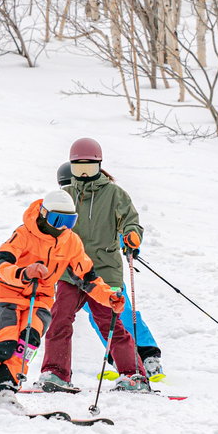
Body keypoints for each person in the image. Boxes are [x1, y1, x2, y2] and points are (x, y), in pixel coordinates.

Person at [0, 191, 126, 412]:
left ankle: (2, 389)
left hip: (40, 299)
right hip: (7, 293)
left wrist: (109, 297)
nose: (63, 227)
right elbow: (2, 263)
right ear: (44, 214)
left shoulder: (71, 242)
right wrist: (24, 272)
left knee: (26, 343)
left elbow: (88, 278)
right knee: (5, 341)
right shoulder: (24, 234)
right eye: (58, 220)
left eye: (70, 221)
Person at [38, 138, 150, 393]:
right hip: (70, 270)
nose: (84, 173)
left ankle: (134, 375)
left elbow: (131, 221)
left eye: (89, 167)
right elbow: (46, 227)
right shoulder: (65, 195)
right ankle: (55, 373)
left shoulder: (114, 193)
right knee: (59, 319)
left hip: (103, 269)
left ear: (100, 165)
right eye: (78, 168)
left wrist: (132, 235)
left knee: (109, 322)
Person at [58, 161, 167, 380]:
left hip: (104, 271)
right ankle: (120, 358)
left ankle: (147, 355)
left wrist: (128, 242)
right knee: (95, 317)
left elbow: (113, 226)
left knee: (119, 311)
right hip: (75, 274)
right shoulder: (68, 202)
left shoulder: (107, 196)